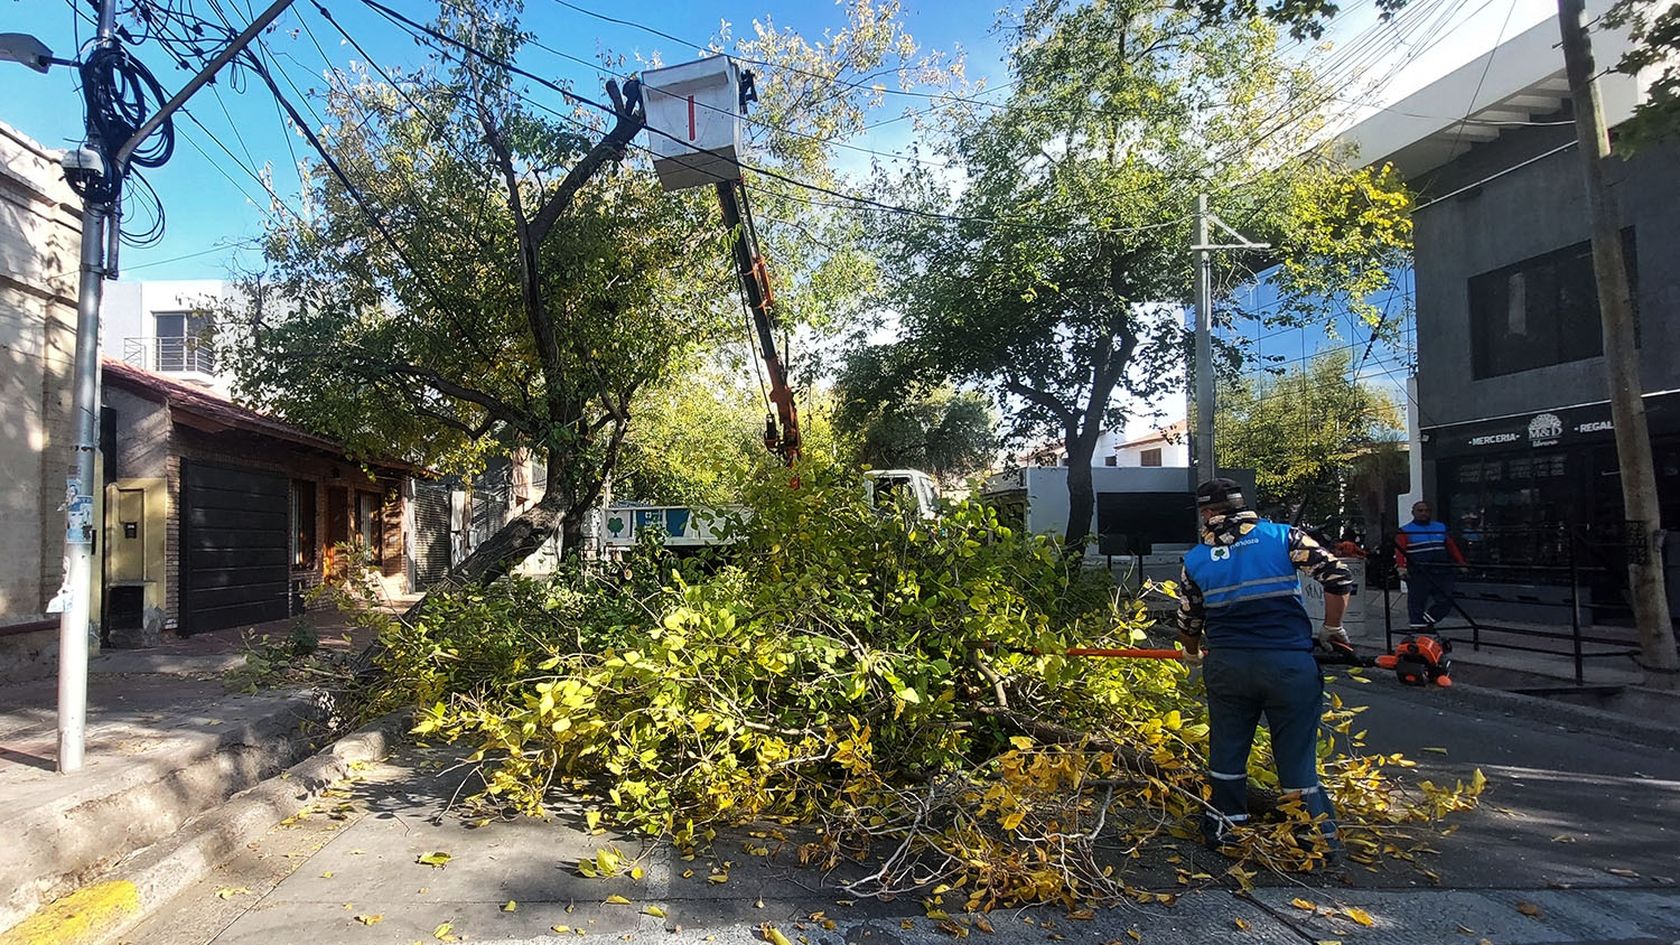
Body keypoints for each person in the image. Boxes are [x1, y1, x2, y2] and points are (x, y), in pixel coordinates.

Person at [1176, 478, 1354, 857]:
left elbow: (1189, 619)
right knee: (1296, 754)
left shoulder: (1195, 560)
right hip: (1288, 664)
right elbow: (1339, 576)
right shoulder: (1284, 537)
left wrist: (1191, 653)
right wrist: (1332, 627)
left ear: (1209, 513)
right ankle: (1312, 835)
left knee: (1227, 747)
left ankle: (1226, 827)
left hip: (1228, 666)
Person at [1394, 500, 1467, 631]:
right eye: (1420, 510)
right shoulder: (1405, 530)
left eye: (1427, 511)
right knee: (1417, 600)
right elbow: (1400, 551)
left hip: (1441, 569)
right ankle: (1417, 627)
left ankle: (1427, 620)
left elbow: (1451, 547)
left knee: (1447, 598)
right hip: (1418, 571)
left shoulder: (1440, 527)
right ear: (1413, 512)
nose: (1424, 513)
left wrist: (1461, 562)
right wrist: (1401, 568)